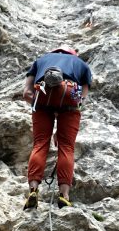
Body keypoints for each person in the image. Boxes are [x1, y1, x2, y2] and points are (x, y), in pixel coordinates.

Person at [22, 46, 92, 210]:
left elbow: (26, 93)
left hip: (42, 91)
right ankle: (64, 196)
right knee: (66, 147)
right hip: (69, 91)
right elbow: (82, 97)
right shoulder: (80, 63)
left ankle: (33, 190)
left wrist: (39, 105)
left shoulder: (40, 61)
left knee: (40, 143)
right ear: (72, 54)